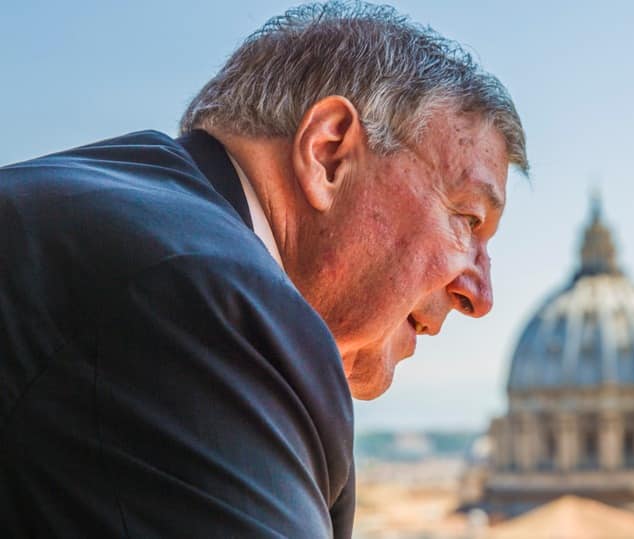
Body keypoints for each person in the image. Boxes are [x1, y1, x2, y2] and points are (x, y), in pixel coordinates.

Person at [0, 2, 527, 537]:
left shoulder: (123, 221)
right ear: (329, 156)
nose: (479, 296)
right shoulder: (202, 297)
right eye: (467, 219)